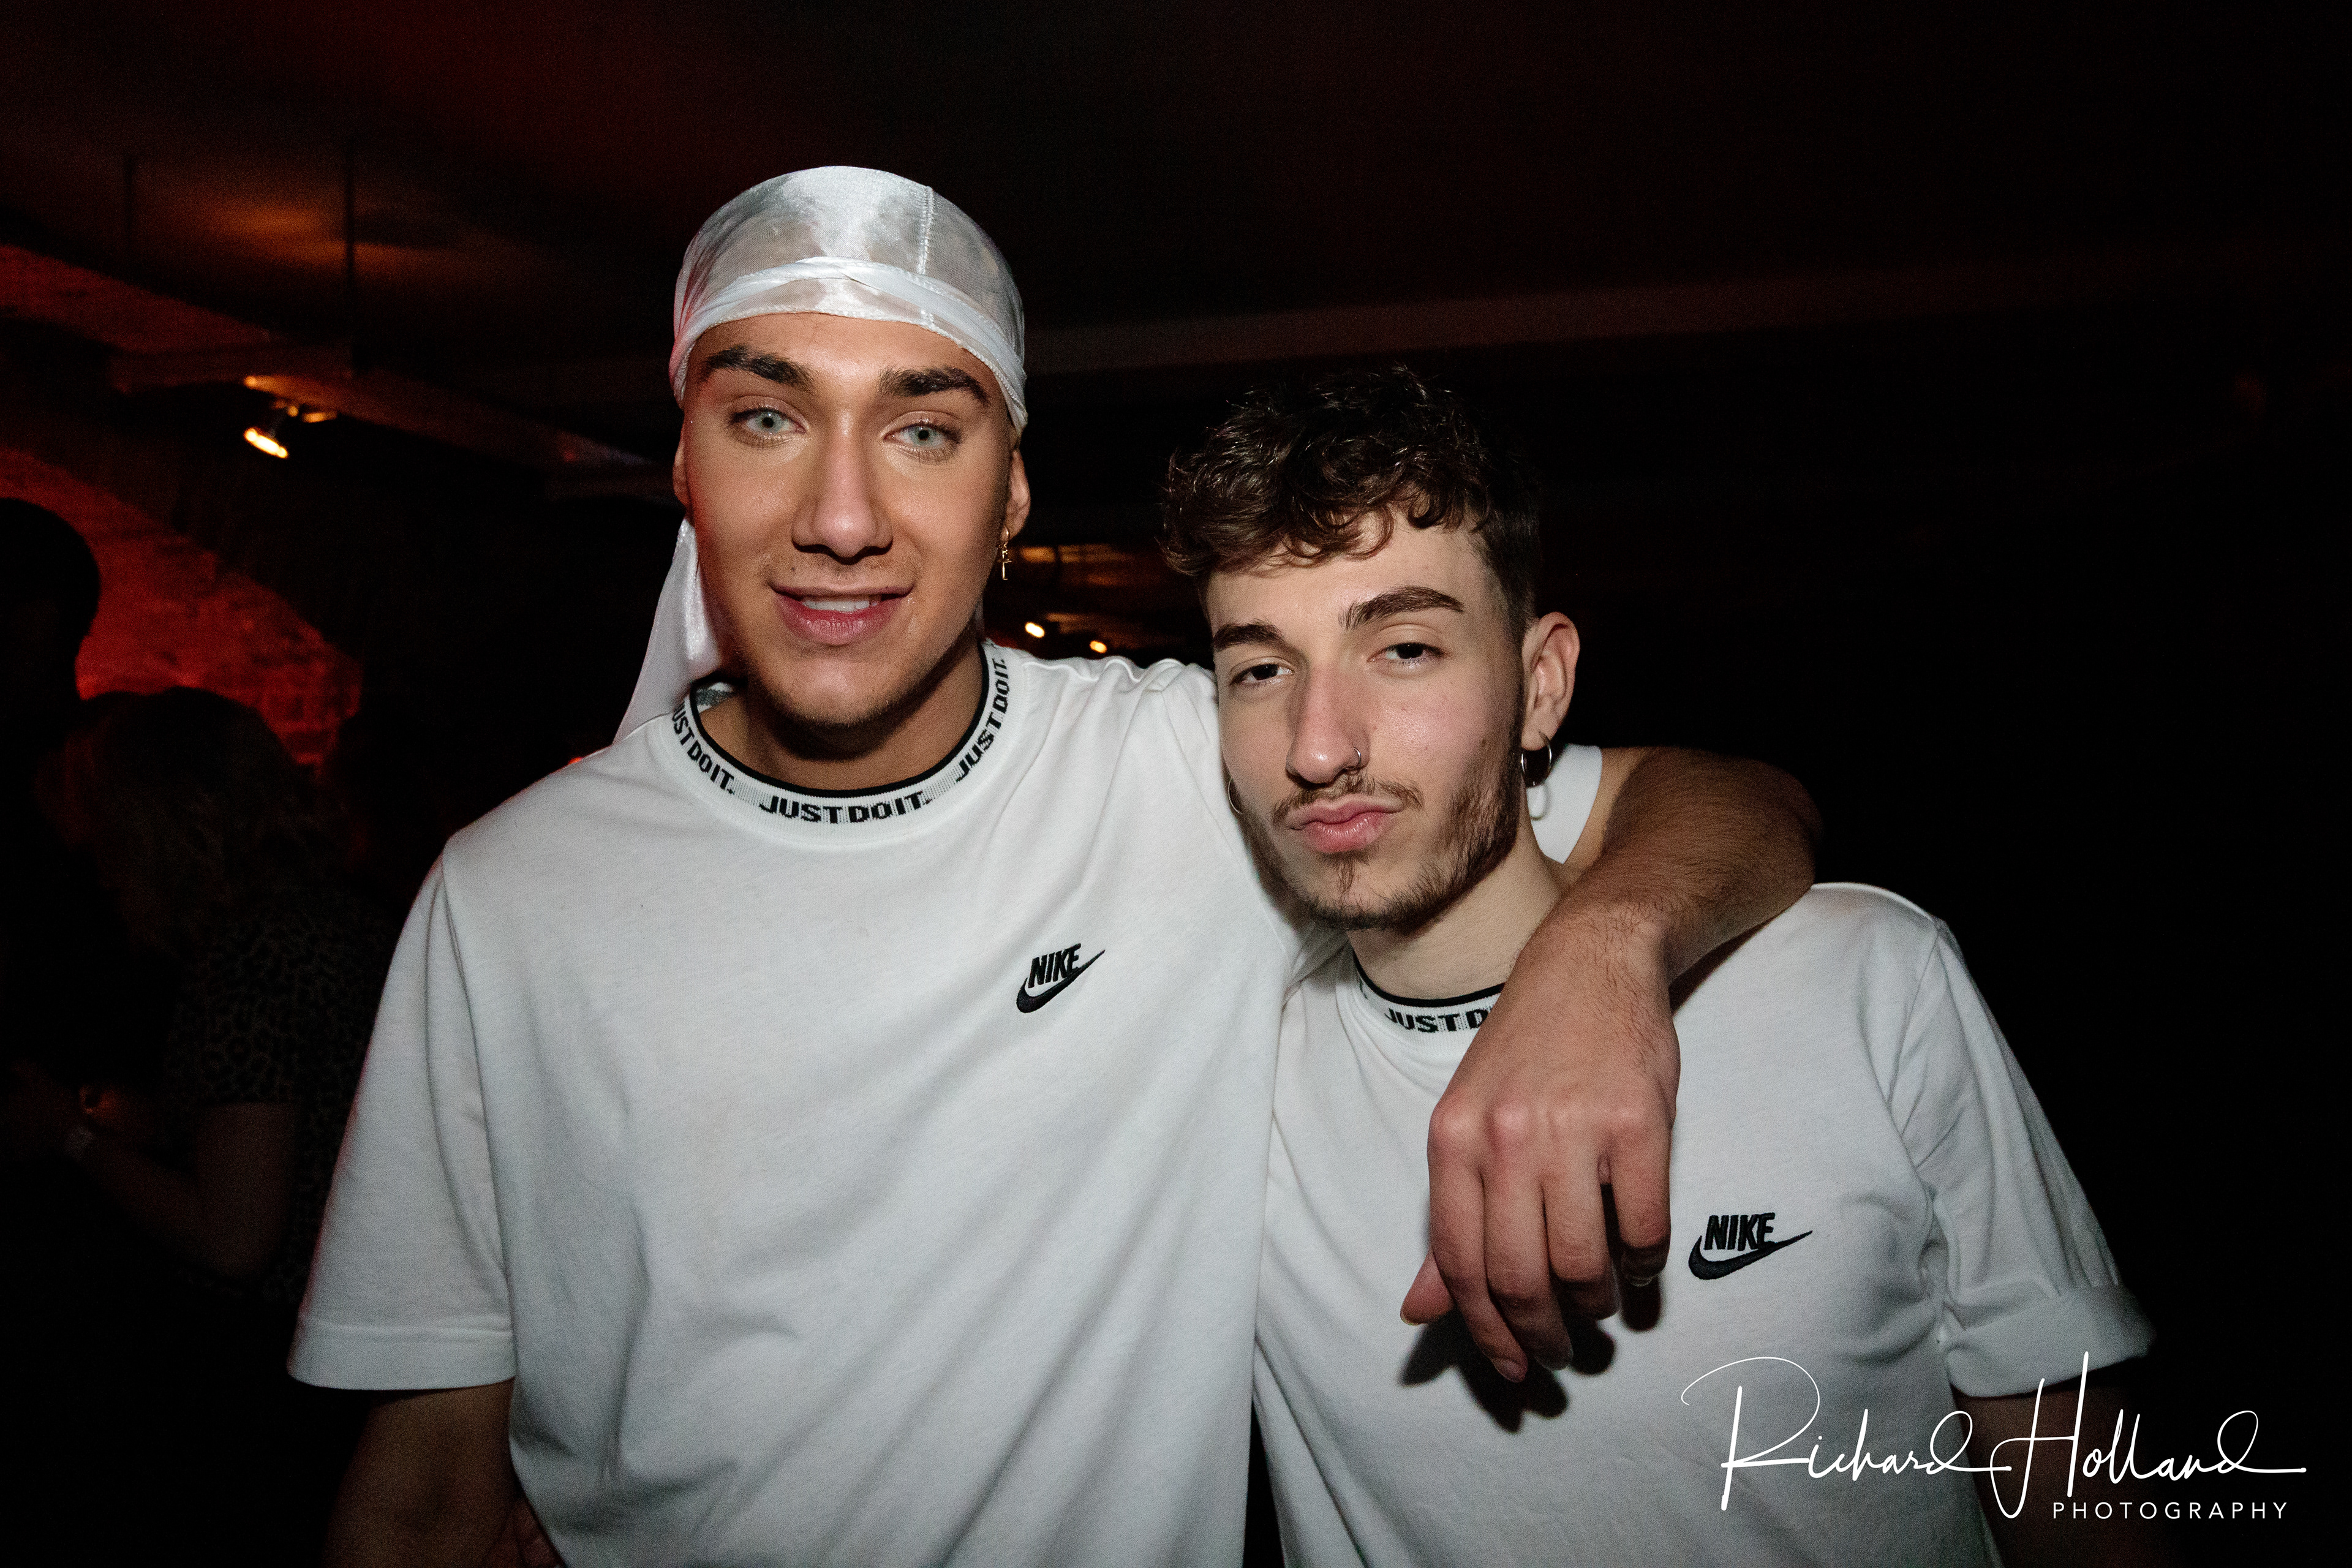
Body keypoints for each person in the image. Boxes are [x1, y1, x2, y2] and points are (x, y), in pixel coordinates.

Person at [292, 168, 1819, 1566]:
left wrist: (1599, 958)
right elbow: (425, 1474)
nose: (841, 517)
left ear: (1011, 491)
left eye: (923, 429)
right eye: (766, 418)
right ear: (681, 461)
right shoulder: (506, 897)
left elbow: (1733, 799)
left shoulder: (1204, 766)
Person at [1164, 367, 2160, 1566]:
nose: (1320, 746)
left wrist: (1605, 953)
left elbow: (2077, 1496)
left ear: (1540, 686)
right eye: (1261, 669)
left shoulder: (1863, 978)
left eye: (1406, 647)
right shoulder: (1228, 1083)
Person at [6, 687, 396, 1559]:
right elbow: (300, 1126)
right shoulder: (341, 917)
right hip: (347, 1362)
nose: (100, 864)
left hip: (270, 1379)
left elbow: (233, 1238)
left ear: (163, 828)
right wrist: (154, 1124)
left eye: (110, 833)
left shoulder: (253, 955)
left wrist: (69, 1137)